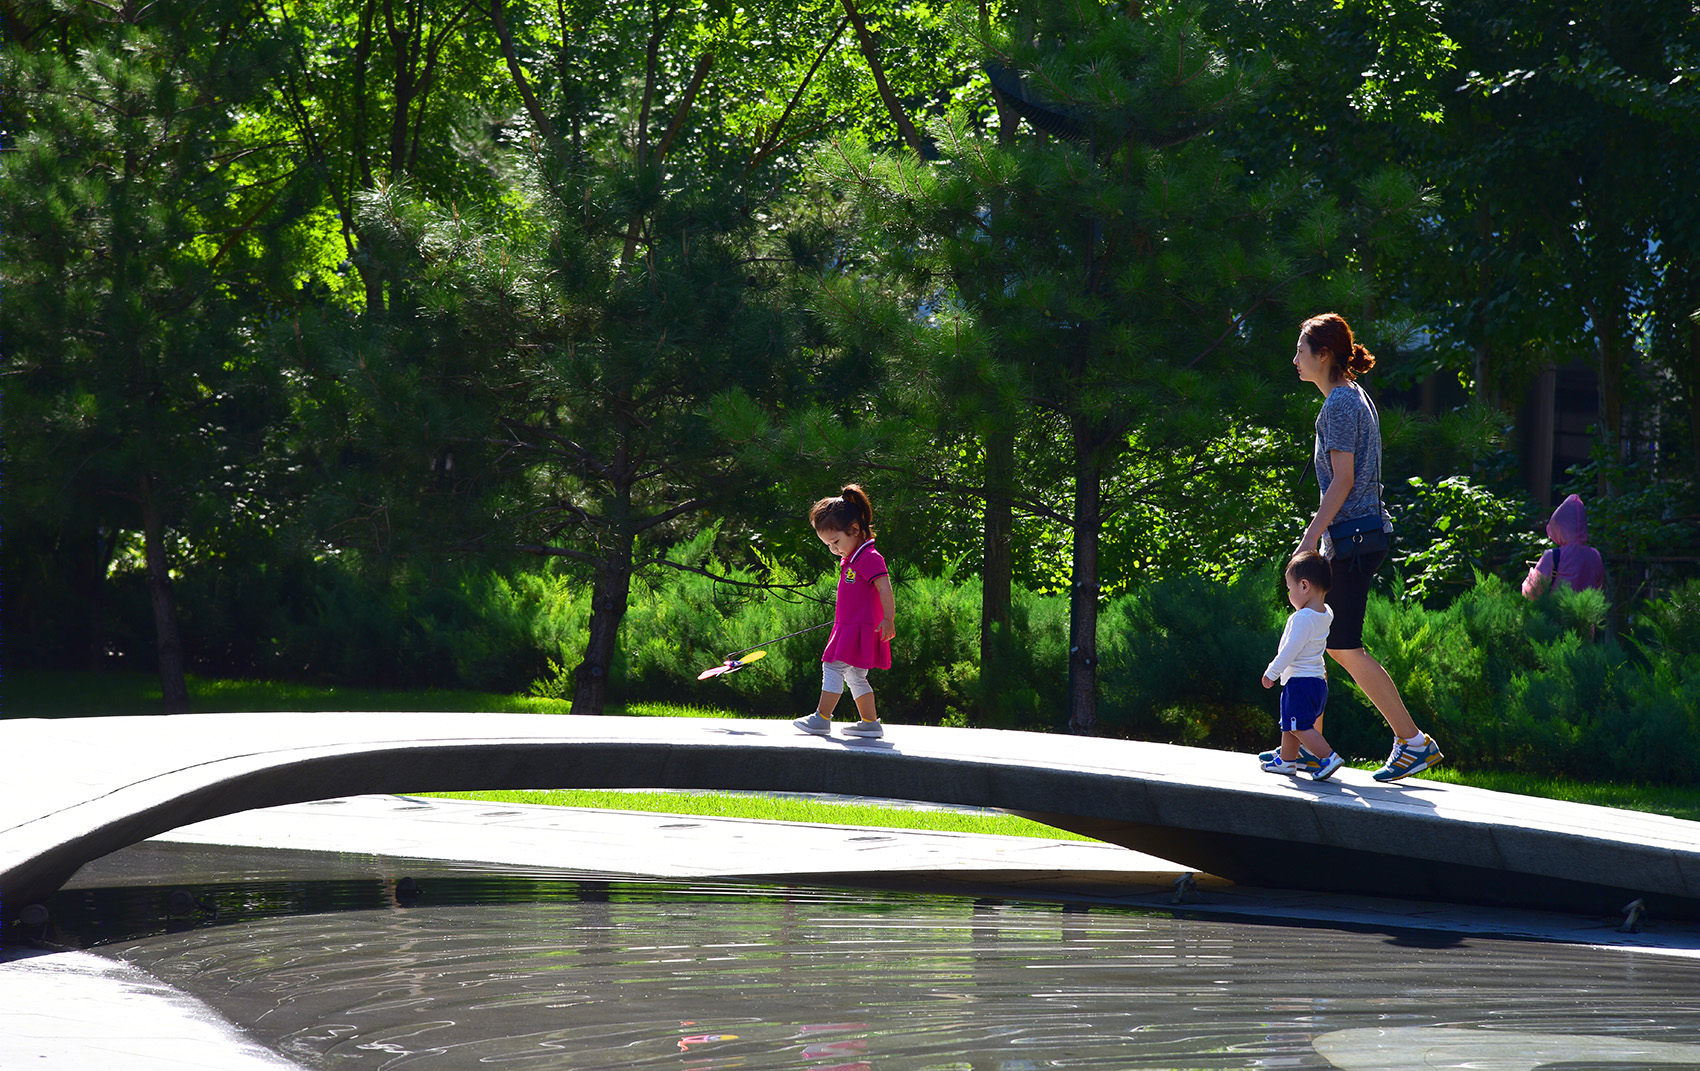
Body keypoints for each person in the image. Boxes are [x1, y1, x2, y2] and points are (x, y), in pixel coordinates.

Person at [1292, 312, 1444, 782]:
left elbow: (1343, 481)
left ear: (1323, 356)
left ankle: (1414, 742)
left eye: (1301, 350)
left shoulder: (1340, 403)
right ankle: (1299, 750)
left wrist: (1310, 537)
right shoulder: (1351, 396)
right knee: (1320, 641)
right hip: (1358, 535)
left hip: (1352, 539)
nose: (1294, 358)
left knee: (1341, 645)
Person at [792, 485, 896, 738]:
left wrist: (888, 619)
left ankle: (822, 718)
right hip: (850, 627)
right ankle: (870, 723)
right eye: (828, 544)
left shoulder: (869, 556)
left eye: (836, 542)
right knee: (855, 676)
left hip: (858, 629)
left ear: (855, 530)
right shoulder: (852, 557)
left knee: (832, 667)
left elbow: (885, 587)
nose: (833, 549)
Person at [1259, 551, 1347, 781]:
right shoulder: (1326, 613)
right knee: (1290, 723)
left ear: (1304, 586)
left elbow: (1290, 650)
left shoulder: (1302, 618)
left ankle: (1328, 756)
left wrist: (1272, 671)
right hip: (1316, 682)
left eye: (1290, 589)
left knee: (1300, 726)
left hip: (1300, 682)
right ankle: (1287, 761)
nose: (1289, 595)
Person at [1522, 493, 1605, 598]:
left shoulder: (1553, 556)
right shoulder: (1595, 556)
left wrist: (1532, 574)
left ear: (1558, 527)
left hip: (1555, 613)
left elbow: (1531, 592)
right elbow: (1598, 588)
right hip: (1587, 613)